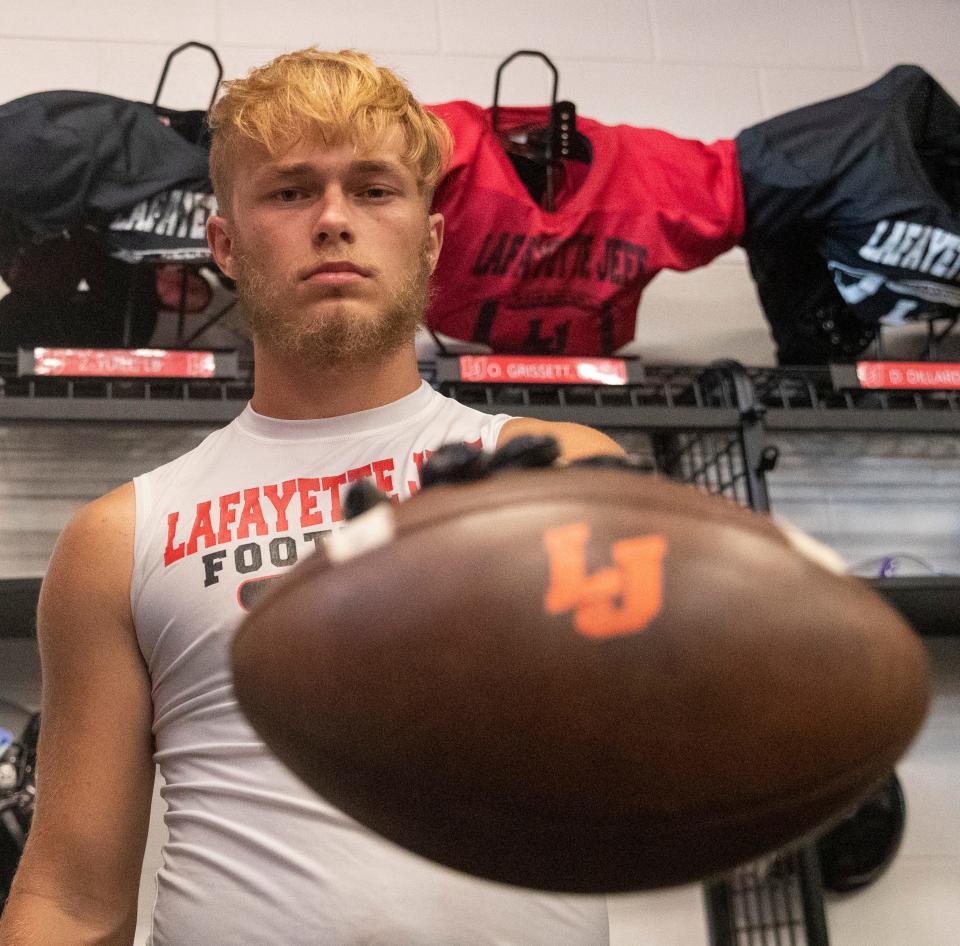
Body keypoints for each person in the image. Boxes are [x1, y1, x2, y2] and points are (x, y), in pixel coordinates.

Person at [0, 48, 623, 946]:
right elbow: (73, 896)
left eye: (374, 189)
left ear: (431, 237)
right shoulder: (120, 536)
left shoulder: (550, 469)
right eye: (290, 192)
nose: (334, 220)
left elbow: (688, 746)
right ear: (224, 246)